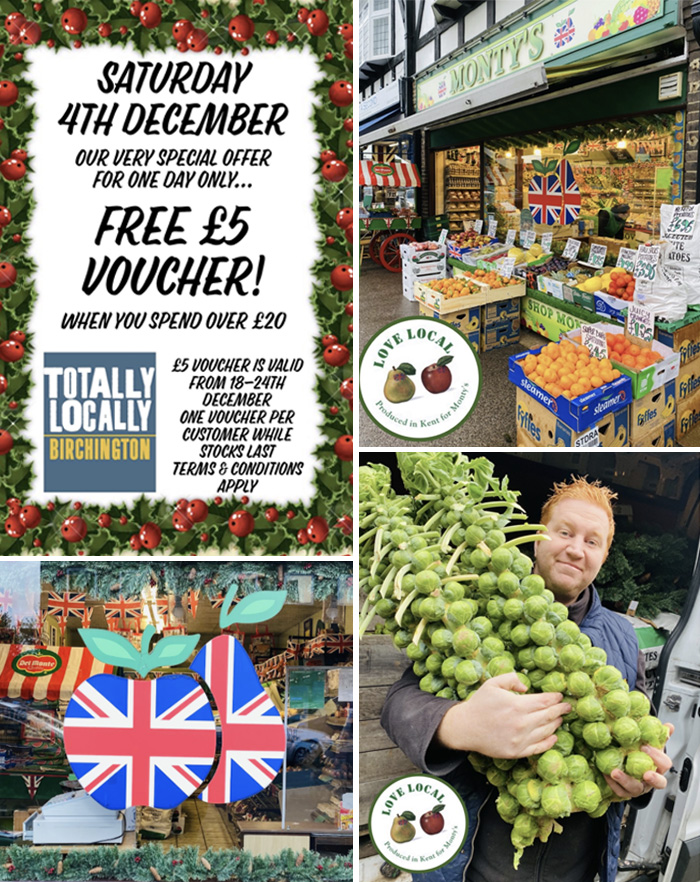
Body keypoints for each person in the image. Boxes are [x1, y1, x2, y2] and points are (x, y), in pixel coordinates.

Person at [380, 476, 673, 882]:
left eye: (592, 541)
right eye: (564, 532)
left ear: (604, 555)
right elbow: (400, 704)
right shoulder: (471, 605)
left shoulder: (623, 634)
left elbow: (638, 725)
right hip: (478, 862)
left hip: (577, 866)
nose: (575, 548)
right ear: (537, 537)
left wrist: (642, 779)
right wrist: (457, 724)